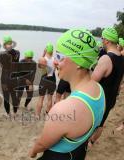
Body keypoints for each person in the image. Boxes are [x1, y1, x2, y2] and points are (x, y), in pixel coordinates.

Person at [29, 28, 105, 160]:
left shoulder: (63, 109)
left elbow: (42, 144)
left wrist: (33, 151)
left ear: (78, 62)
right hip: (79, 152)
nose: (55, 62)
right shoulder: (99, 90)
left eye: (59, 56)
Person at [90, 28, 124, 144]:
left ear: (107, 41)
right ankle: (92, 142)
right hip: (111, 98)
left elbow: (92, 82)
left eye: (102, 38)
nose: (102, 40)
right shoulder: (122, 58)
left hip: (99, 100)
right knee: (101, 124)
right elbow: (120, 82)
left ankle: (85, 143)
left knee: (90, 123)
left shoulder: (106, 58)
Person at [0, 36, 20, 119]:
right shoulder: (17, 53)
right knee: (14, 96)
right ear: (11, 43)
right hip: (14, 78)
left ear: (4, 44)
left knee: (6, 97)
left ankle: (8, 114)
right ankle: (15, 113)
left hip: (5, 78)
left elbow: (0, 64)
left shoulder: (0, 55)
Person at [36, 43, 56, 119]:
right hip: (52, 79)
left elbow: (39, 67)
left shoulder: (42, 59)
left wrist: (43, 54)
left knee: (41, 98)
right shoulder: (55, 59)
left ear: (46, 49)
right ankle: (48, 114)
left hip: (44, 79)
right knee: (50, 98)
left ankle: (37, 115)